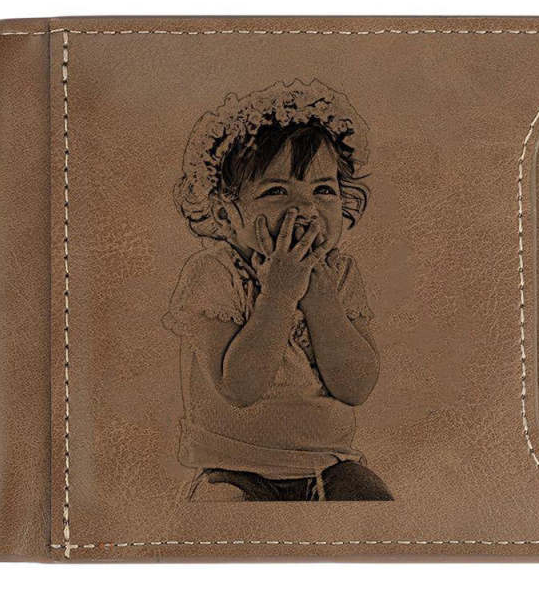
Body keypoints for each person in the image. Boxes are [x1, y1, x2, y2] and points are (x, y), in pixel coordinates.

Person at [163, 79, 392, 501]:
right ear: (226, 214)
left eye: (323, 189)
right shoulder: (215, 273)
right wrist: (279, 296)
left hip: (328, 466)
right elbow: (240, 388)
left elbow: (356, 386)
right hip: (235, 470)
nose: (304, 208)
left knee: (374, 503)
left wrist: (321, 302)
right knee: (223, 517)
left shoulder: (338, 274)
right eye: (276, 191)